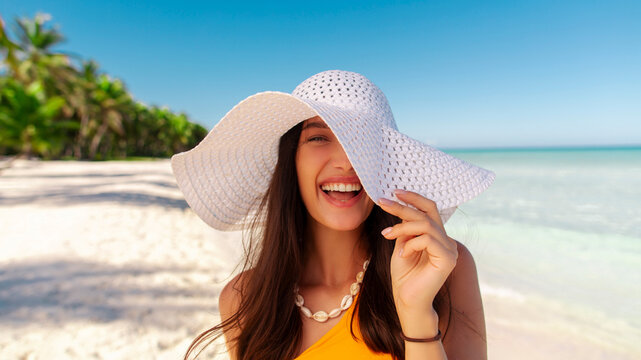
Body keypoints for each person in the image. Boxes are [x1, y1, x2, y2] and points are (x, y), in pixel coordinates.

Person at [170, 70, 495, 360]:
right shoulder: (244, 299)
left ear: (387, 163)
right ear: (292, 160)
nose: (346, 160)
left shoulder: (445, 268)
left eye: (363, 141)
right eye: (319, 137)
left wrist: (418, 315)